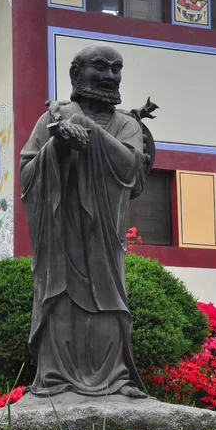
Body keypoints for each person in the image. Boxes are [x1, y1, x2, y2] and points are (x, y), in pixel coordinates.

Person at [20, 44, 154, 398]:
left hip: (103, 238)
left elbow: (129, 166)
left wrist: (85, 130)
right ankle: (54, 378)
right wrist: (59, 145)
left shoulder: (126, 123)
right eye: (100, 67)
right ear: (76, 74)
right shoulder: (53, 118)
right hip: (61, 236)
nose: (110, 76)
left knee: (109, 304)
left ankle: (116, 378)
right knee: (61, 300)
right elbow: (27, 174)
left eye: (116, 69)